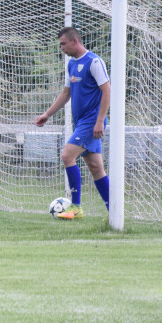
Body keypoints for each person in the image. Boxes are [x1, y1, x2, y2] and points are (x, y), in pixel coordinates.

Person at [35, 26, 111, 220]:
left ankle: (76, 207)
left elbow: (107, 91)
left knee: (67, 155)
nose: (61, 48)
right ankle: (115, 211)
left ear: (74, 41)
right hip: (81, 123)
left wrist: (100, 121)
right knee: (96, 168)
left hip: (92, 121)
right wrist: (47, 114)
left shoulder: (94, 61)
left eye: (63, 44)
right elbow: (66, 93)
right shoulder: (71, 64)